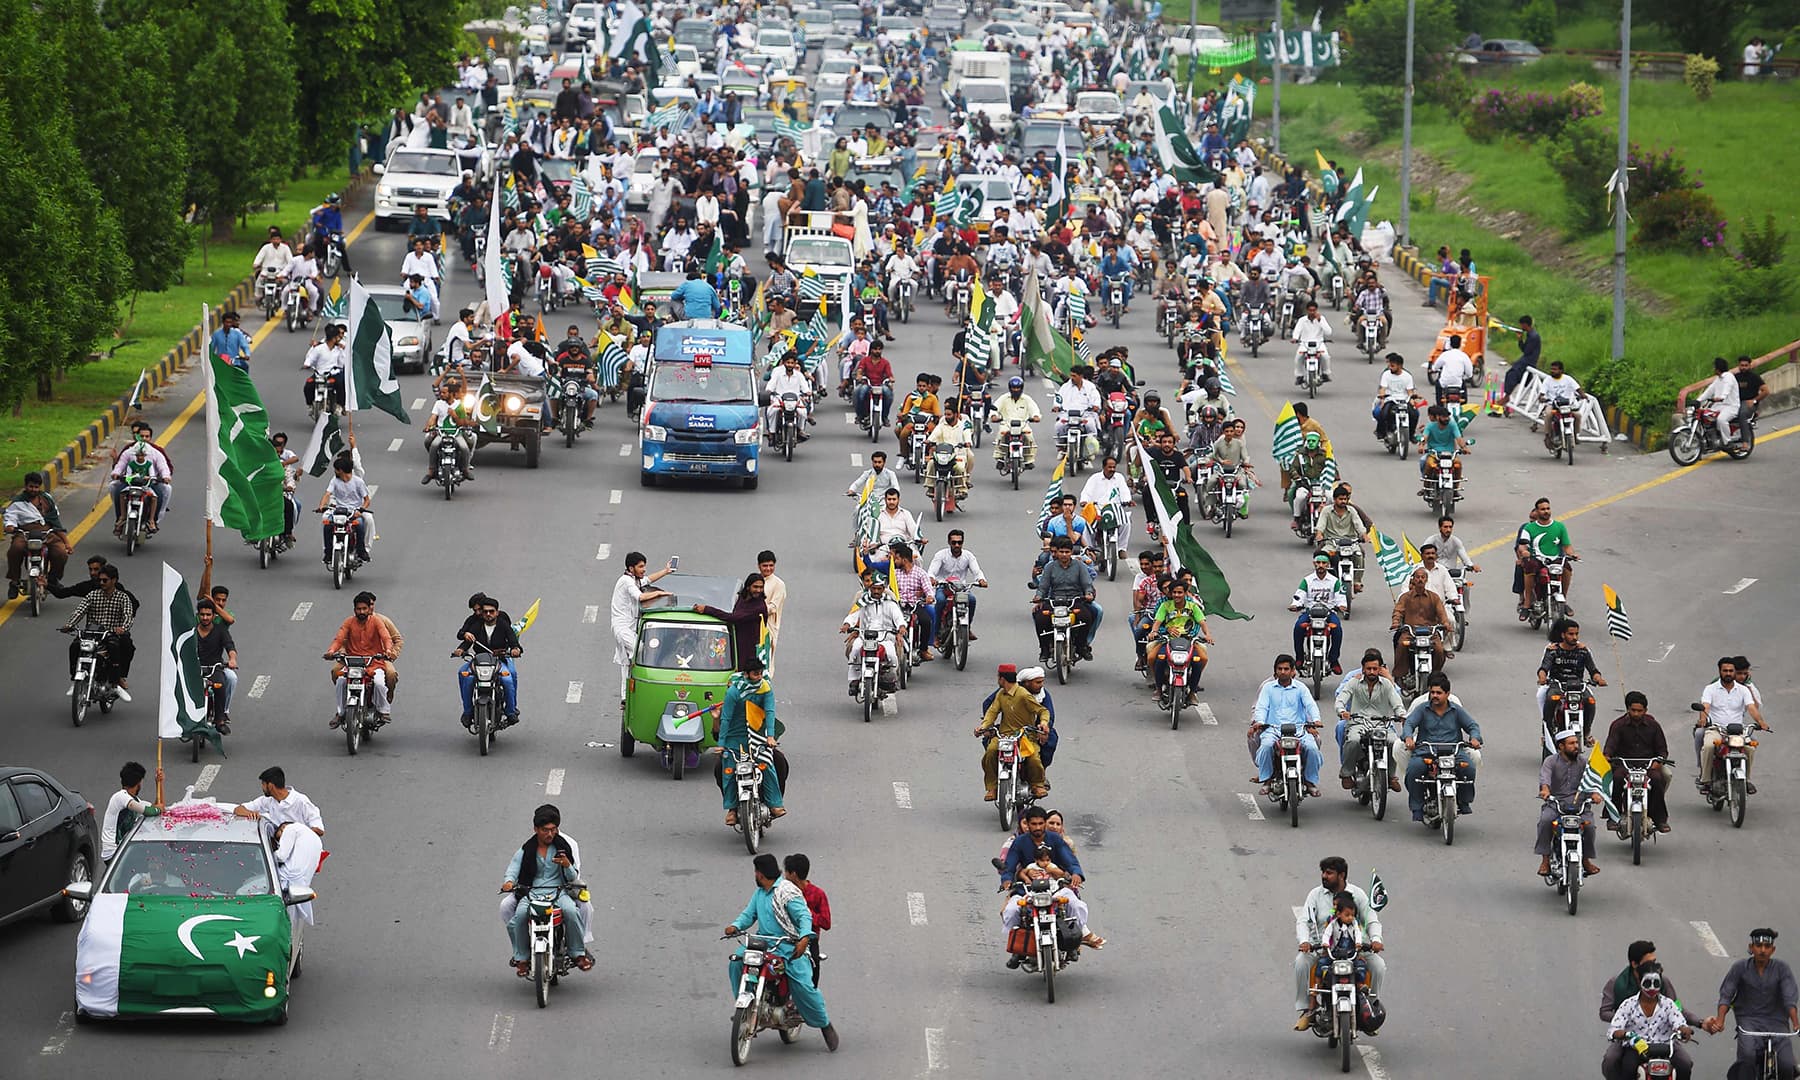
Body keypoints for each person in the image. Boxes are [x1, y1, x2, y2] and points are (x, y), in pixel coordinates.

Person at [725, 854, 838, 1051]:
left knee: (804, 986)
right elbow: (748, 914)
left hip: (788, 944)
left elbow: (804, 916)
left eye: (755, 872)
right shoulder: (760, 893)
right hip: (763, 942)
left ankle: (824, 1023)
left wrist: (804, 938)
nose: (755, 875)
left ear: (760, 874)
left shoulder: (787, 891)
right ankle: (746, 1007)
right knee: (736, 961)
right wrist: (735, 926)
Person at [1293, 856, 1385, 1029]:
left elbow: (1371, 919)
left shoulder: (1357, 895)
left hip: (1354, 949)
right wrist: (1305, 941)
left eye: (1329, 873)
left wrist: (1375, 940)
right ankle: (1307, 1010)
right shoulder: (1315, 895)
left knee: (1379, 966)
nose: (1324, 876)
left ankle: (1369, 1011)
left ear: (1341, 875)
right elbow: (1303, 921)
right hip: (1322, 948)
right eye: (1323, 872)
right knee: (1300, 963)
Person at [501, 804, 591, 975]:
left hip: (558, 892)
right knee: (519, 916)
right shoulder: (527, 849)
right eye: (545, 830)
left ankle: (577, 953)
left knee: (571, 911)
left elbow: (572, 877)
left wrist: (567, 865)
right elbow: (514, 867)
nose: (549, 834)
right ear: (536, 829)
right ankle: (522, 958)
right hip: (532, 893)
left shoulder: (563, 848)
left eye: (553, 829)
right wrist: (509, 881)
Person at [1703, 928, 1798, 1079]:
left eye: (1767, 947)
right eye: (1758, 946)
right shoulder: (1740, 968)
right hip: (1749, 1023)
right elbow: (1726, 995)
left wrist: (1796, 1023)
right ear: (1751, 947)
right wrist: (1720, 1020)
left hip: (1778, 1024)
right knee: (1747, 1057)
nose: (1762, 950)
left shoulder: (1782, 969)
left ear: (1773, 950)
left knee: (1787, 1066)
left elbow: (1789, 997)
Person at [1600, 941, 1705, 1078]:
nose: (1652, 988)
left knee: (1685, 1064)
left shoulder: (1667, 1001)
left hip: (1665, 1045)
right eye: (1647, 983)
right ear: (1635, 966)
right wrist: (1625, 1032)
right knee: (1617, 1063)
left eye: (1656, 984)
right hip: (1635, 1046)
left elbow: (1678, 1014)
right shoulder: (1625, 1000)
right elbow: (1610, 1023)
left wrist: (1687, 1027)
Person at [713, 659, 785, 826]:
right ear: (746, 675)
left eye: (760, 673)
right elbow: (726, 718)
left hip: (759, 736)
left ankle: (775, 803)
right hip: (734, 738)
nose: (759, 676)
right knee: (727, 770)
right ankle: (731, 809)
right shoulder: (733, 692)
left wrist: (770, 736)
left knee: (768, 764)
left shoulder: (765, 688)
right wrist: (722, 744)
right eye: (755, 673)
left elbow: (769, 711)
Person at [1402, 673, 1481, 822]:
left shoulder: (1456, 710)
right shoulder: (1422, 709)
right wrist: (1408, 737)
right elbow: (1409, 723)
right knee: (1414, 770)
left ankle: (1464, 801)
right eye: (1432, 692)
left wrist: (1475, 738)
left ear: (1447, 694)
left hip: (1453, 751)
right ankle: (1417, 807)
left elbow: (1472, 725)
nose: (1435, 696)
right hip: (1426, 751)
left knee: (1468, 768)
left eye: (1439, 693)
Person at [1252, 655, 1324, 798]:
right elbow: (1262, 707)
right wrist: (1259, 721)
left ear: (1292, 671)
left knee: (1312, 749)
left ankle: (1310, 782)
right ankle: (1266, 780)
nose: (1283, 672)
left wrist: (1316, 720)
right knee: (1266, 746)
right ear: (1275, 671)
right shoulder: (1268, 688)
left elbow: (1310, 705)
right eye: (1280, 669)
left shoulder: (1301, 688)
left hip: (1299, 730)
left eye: (1286, 669)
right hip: (1273, 729)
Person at [61, 563, 136, 699]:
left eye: (105, 580)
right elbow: (79, 611)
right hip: (91, 634)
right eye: (100, 580)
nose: (101, 583)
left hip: (111, 634)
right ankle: (74, 680)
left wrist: (123, 628)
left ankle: (115, 683)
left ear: (114, 580)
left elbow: (128, 616)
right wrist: (69, 624)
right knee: (75, 646)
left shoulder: (123, 598)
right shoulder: (92, 595)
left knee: (118, 647)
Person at [1603, 691, 1674, 834]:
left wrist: (1658, 762)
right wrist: (1607, 756)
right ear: (1628, 709)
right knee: (1616, 779)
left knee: (1658, 779)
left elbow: (1662, 750)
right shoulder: (1618, 725)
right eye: (1633, 710)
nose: (1636, 714)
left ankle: (1659, 819)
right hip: (1624, 765)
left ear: (1645, 710)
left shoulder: (1654, 726)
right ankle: (1613, 816)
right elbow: (1610, 747)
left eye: (1639, 711)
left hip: (1648, 765)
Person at [1537, 727, 1603, 878]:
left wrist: (1595, 794)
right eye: (1571, 743)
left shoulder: (1585, 762)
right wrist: (1545, 790)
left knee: (1590, 827)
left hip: (1580, 806)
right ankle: (1545, 860)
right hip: (1556, 804)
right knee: (1545, 821)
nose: (1576, 746)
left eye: (1576, 743)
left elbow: (1593, 781)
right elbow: (1545, 779)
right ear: (1561, 746)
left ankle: (1586, 860)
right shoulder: (1550, 761)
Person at [322, 592, 394, 729]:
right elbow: (339, 639)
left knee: (379, 683)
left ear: (369, 609)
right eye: (358, 609)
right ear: (354, 609)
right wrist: (331, 651)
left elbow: (386, 638)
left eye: (364, 609)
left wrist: (388, 651)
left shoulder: (377, 621)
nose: (361, 611)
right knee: (341, 682)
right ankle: (341, 713)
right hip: (352, 663)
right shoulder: (348, 622)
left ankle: (384, 710)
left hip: (373, 662)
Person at [978, 666, 1050, 801]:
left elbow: (1043, 711)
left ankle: (1037, 784)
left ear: (1002, 679)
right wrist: (983, 727)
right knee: (990, 753)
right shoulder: (1000, 694)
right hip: (1005, 735)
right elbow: (992, 712)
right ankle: (992, 787)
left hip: (1025, 736)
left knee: (1034, 758)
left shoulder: (1023, 694)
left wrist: (1044, 723)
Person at [1698, 656, 1768, 795]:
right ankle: (1705, 780)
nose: (1728, 673)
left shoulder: (1743, 690)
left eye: (1731, 670)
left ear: (1734, 672)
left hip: (1737, 731)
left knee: (1750, 748)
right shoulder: (1710, 689)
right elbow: (1705, 706)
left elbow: (1751, 707)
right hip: (1716, 729)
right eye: (1725, 670)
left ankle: (1746, 780)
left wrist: (1761, 722)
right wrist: (1703, 719)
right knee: (1708, 746)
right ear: (1720, 671)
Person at [1335, 650, 1404, 789]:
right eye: (1369, 669)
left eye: (1375, 669)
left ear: (1380, 669)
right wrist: (1342, 711)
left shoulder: (1387, 684)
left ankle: (1391, 776)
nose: (1372, 672)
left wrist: (1402, 715)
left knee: (1394, 743)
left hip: (1381, 724)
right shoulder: (1353, 681)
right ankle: (1346, 773)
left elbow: (1397, 702)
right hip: (1358, 723)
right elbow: (1340, 699)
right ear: (1363, 669)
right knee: (1353, 741)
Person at [455, 595, 522, 728]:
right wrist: (460, 649)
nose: (487, 614)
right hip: (479, 661)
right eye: (484, 611)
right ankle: (467, 713)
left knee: (508, 679)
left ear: (497, 612)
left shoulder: (503, 622)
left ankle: (510, 711)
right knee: (464, 674)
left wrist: (515, 649)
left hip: (499, 660)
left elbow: (512, 639)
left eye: (491, 611)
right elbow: (466, 641)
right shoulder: (476, 623)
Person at [1537, 618, 1605, 746]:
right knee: (1551, 699)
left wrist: (1598, 679)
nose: (1575, 637)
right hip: (1557, 685)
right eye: (1571, 634)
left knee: (1590, 702)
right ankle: (1547, 732)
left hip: (1578, 686)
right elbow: (1543, 668)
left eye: (1576, 634)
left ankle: (1586, 733)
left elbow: (1593, 670)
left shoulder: (1583, 651)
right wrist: (1542, 678)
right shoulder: (1552, 650)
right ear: (1563, 635)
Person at [840, 568, 907, 696]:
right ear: (870, 588)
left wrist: (901, 627)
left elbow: (898, 617)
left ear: (883, 589)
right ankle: (854, 680)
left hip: (886, 637)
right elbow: (854, 616)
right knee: (854, 651)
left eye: (879, 589)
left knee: (892, 656)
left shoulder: (890, 603)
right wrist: (847, 624)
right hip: (865, 636)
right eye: (874, 588)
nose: (876, 591)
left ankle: (891, 680)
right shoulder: (863, 601)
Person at [1145, 578, 1213, 702]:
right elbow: (1157, 621)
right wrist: (1154, 632)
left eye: (1180, 592)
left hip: (1189, 641)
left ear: (1185, 592)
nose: (1177, 595)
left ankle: (1192, 692)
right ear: (1171, 593)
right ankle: (1159, 689)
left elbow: (1202, 622)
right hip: (1168, 641)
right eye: (1174, 592)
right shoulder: (1165, 606)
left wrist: (1208, 635)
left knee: (1200, 660)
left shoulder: (1192, 606)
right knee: (1156, 659)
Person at [5, 471, 70, 597]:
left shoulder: (47, 499)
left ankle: (53, 579)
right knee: (15, 550)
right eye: (31, 486)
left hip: (47, 533)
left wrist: (67, 543)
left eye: (36, 487)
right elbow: (10, 516)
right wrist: (10, 526)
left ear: (39, 487)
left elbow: (55, 521)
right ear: (25, 486)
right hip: (24, 533)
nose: (33, 489)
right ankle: (14, 581)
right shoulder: (17, 502)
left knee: (61, 553)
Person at [1033, 537, 1096, 663]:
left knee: (1086, 617)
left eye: (1067, 552)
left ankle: (1081, 646)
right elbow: (1043, 586)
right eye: (1061, 552)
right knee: (1039, 617)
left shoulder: (1080, 566)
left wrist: (1088, 594)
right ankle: (1045, 648)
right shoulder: (1050, 567)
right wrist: (1038, 597)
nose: (1064, 555)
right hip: (1054, 601)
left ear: (1071, 552)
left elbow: (1087, 584)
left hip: (1075, 601)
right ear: (1057, 553)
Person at [1515, 497, 1578, 617]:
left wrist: (1572, 554)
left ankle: (1563, 600)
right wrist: (1524, 552)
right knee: (1529, 568)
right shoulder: (1529, 528)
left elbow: (1567, 546)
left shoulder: (1560, 527)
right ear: (1537, 511)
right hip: (1537, 559)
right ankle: (1527, 604)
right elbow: (1522, 546)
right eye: (1543, 509)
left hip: (1554, 560)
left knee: (1567, 568)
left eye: (1548, 508)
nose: (1546, 511)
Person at [695, 573, 771, 672]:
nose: (758, 590)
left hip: (749, 649)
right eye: (755, 587)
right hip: (736, 641)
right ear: (748, 587)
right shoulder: (742, 598)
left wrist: (707, 609)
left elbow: (733, 618)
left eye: (761, 587)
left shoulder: (759, 607)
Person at [1390, 567, 1453, 681]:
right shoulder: (1405, 597)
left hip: (1430, 632)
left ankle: (1435, 675)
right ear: (1413, 580)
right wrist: (1395, 622)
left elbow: (1441, 613)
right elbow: (1398, 611)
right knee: (1401, 645)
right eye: (1417, 577)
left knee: (1439, 650)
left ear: (1426, 580)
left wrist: (1445, 623)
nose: (1420, 579)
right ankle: (1400, 676)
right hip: (1410, 632)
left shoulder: (1434, 597)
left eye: (1422, 577)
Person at [1290, 554, 1346, 675]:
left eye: (1323, 563)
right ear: (1314, 564)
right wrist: (1295, 604)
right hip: (1310, 612)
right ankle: (1299, 657)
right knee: (1298, 627)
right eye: (1318, 562)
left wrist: (1342, 605)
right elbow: (1299, 595)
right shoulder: (1307, 580)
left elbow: (1340, 596)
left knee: (1337, 629)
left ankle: (1334, 659)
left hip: (1328, 612)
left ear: (1328, 565)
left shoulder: (1335, 581)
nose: (1321, 565)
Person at [231, 765, 326, 837]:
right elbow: (238, 809)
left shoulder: (301, 801)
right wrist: (249, 813)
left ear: (270, 786)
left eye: (263, 784)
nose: (262, 788)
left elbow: (319, 830)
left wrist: (297, 835)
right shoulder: (267, 801)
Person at [928, 530, 988, 642]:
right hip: (943, 587)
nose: (956, 545)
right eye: (954, 542)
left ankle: (967, 628)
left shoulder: (968, 556)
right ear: (949, 542)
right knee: (940, 601)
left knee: (972, 600)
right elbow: (932, 571)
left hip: (961, 588)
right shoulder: (941, 555)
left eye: (959, 543)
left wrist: (981, 580)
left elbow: (977, 571)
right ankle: (936, 635)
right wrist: (931, 578)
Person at [99, 761, 163, 863]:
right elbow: (150, 811)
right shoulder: (120, 797)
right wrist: (158, 809)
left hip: (123, 849)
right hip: (113, 852)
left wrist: (159, 783)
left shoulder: (135, 800)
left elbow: (157, 807)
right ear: (138, 783)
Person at [193, 598, 239, 733]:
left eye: (208, 615)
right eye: (202, 614)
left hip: (214, 668)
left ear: (213, 616)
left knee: (221, 686)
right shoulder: (191, 631)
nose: (205, 617)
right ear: (198, 615)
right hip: (194, 669)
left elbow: (230, 646)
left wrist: (232, 659)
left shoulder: (220, 631)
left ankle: (219, 720)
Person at [784, 854, 831, 985]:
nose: (785, 876)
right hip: (785, 937)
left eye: (786, 873)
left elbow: (826, 923)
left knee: (813, 977)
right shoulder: (783, 892)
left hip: (809, 941)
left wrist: (807, 913)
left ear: (793, 874)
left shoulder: (818, 894)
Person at [315, 456, 372, 565]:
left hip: (354, 512)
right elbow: (327, 494)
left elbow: (367, 500)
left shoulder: (358, 482)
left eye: (336, 469)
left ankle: (361, 551)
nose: (335, 471)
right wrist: (321, 506)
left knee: (359, 525)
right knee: (327, 525)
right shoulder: (335, 481)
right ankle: (328, 552)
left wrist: (360, 510)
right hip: (338, 511)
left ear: (340, 470)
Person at [1312, 486, 1370, 593]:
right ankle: (1322, 580)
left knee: (1359, 554)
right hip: (1332, 543)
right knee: (1322, 556)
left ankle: (1357, 582)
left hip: (1350, 543)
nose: (1343, 501)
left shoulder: (1352, 511)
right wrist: (1319, 534)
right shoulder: (1326, 511)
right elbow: (1321, 525)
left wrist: (1364, 535)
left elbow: (1359, 525)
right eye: (1340, 499)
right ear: (1334, 499)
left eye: (1345, 499)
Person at [110, 439, 171, 535]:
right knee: (119, 492)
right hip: (131, 485)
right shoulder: (128, 454)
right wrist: (116, 473)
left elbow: (163, 467)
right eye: (138, 455)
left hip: (146, 486)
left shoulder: (155, 454)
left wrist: (165, 476)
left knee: (157, 496)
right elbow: (120, 466)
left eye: (142, 455)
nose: (140, 457)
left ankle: (152, 520)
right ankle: (121, 517)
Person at [421, 381, 477, 485]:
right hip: (441, 433)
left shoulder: (459, 405)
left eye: (444, 393)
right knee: (433, 446)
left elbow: (462, 423)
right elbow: (433, 417)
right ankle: (431, 472)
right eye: (441, 393)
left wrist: (454, 415)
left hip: (456, 433)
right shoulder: (438, 403)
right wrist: (429, 426)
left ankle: (465, 470)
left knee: (464, 448)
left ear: (451, 394)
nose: (441, 395)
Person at [272, 820, 325, 927]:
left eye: (280, 838)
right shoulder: (315, 839)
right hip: (300, 887)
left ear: (283, 828)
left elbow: (281, 856)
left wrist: (267, 854)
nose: (281, 841)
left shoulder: (290, 829)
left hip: (285, 880)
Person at [1416, 404, 1467, 495]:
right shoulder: (1430, 426)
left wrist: (1464, 448)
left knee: (1458, 465)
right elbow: (1424, 438)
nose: (1446, 419)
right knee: (1429, 464)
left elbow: (1459, 438)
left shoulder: (1452, 425)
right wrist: (1421, 446)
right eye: (1444, 417)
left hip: (1450, 454)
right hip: (1434, 454)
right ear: (1438, 417)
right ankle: (1426, 487)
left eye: (1447, 417)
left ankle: (1455, 489)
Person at [764, 354, 814, 440]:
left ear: (795, 364)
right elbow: (771, 385)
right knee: (772, 411)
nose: (790, 365)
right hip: (779, 399)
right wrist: (769, 391)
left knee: (803, 412)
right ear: (784, 363)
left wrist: (808, 392)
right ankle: (772, 432)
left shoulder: (799, 375)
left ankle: (800, 430)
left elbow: (805, 387)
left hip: (795, 400)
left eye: (792, 363)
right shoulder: (777, 373)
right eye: (788, 363)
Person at [1700, 355, 1743, 446]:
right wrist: (1697, 400)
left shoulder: (1729, 377)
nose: (1713, 369)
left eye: (1714, 367)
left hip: (1731, 406)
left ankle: (1727, 442)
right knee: (1705, 416)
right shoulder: (1718, 379)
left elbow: (1727, 387)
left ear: (1718, 368)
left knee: (1721, 419)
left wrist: (1722, 397)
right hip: (1719, 406)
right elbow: (1709, 390)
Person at [1372, 353, 1417, 439]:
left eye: (1392, 366)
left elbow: (1410, 391)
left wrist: (1412, 400)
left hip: (1404, 400)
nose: (1390, 368)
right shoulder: (1386, 374)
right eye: (1389, 365)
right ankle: (1381, 432)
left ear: (1400, 366)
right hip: (1390, 399)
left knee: (1415, 414)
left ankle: (1411, 434)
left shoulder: (1407, 376)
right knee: (1383, 414)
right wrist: (1382, 400)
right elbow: (1382, 389)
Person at [1290, 300, 1333, 385]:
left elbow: (1328, 332)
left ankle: (1325, 374)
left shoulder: (1322, 319)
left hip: (1319, 343)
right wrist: (1295, 338)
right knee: (1298, 357)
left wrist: (1320, 320)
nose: (1312, 312)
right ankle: (1299, 376)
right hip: (1304, 343)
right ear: (1307, 311)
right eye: (1310, 310)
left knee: (1325, 356)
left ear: (1317, 310)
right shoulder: (1302, 320)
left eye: (1314, 310)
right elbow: (1297, 331)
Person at [1431, 334, 1474, 404]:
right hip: (1458, 384)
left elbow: (1435, 367)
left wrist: (1433, 369)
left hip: (1444, 383)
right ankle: (1463, 405)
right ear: (1460, 344)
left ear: (1450, 344)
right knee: (1464, 392)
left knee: (1438, 386)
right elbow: (1469, 374)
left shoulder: (1445, 354)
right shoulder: (1464, 356)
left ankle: (1439, 407)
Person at [757, 551, 787, 650]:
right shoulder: (755, 580)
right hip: (752, 624)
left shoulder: (779, 584)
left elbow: (773, 608)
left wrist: (754, 611)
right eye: (765, 566)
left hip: (768, 627)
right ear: (759, 566)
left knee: (766, 659)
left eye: (771, 565)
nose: (768, 569)